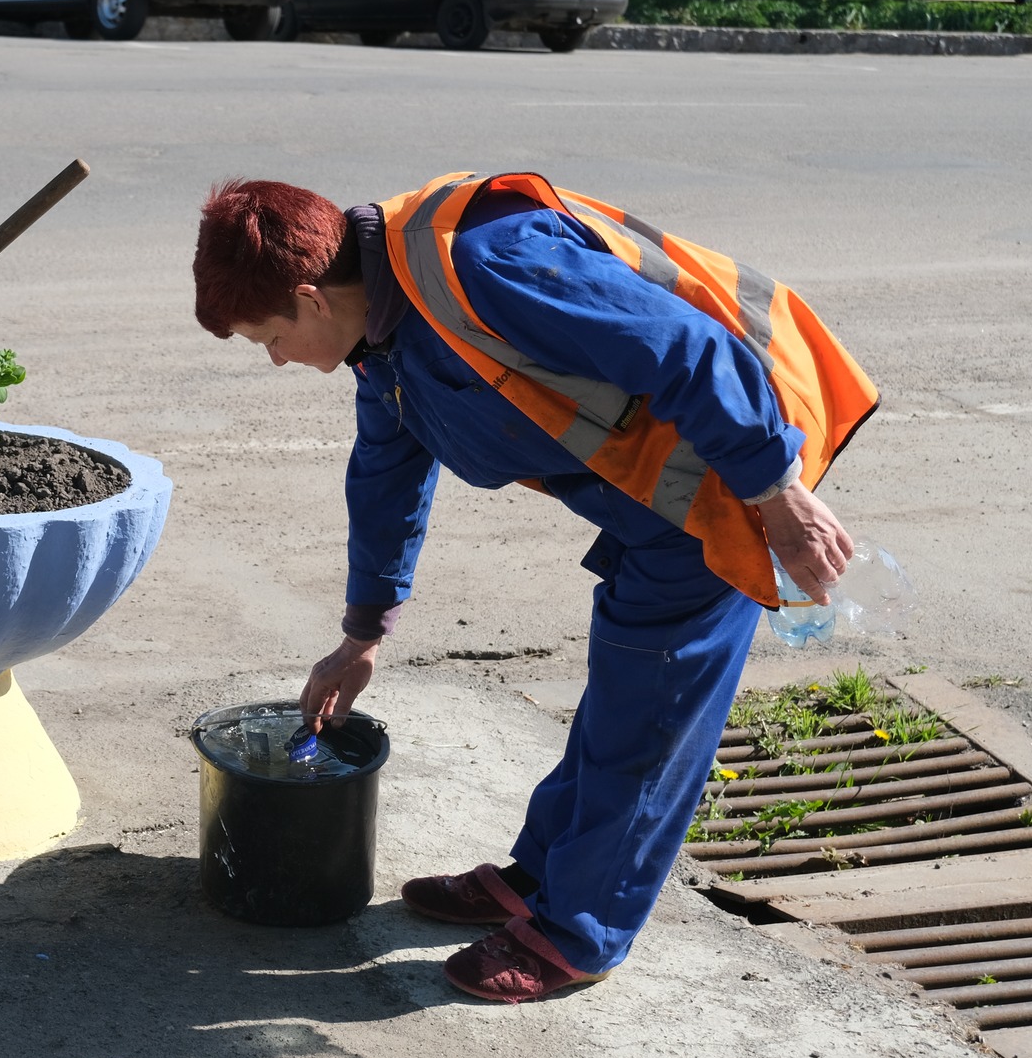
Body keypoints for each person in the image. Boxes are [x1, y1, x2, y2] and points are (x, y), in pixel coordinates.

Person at [191, 171, 877, 1003]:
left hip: (728, 480)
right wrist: (362, 632)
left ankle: (579, 932)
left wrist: (778, 496)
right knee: (622, 693)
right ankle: (541, 876)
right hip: (648, 502)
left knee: (647, 718)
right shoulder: (383, 333)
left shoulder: (487, 264)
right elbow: (385, 470)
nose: (276, 360)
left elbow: (690, 349)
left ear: (309, 298)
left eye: (268, 338)